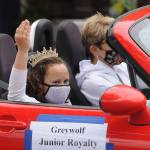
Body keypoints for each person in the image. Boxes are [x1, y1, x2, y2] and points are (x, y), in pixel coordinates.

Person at [8, 20, 71, 105]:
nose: (63, 87)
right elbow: (16, 97)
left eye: (66, 81)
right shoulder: (36, 106)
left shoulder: (67, 103)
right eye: (56, 82)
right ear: (39, 85)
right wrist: (22, 51)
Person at [76, 12, 131, 106]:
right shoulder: (93, 82)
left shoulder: (121, 66)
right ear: (94, 50)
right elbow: (129, 105)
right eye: (113, 44)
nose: (119, 48)